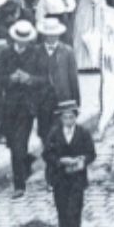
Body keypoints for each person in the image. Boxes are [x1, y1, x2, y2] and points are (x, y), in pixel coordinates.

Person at [42, 100, 96, 227]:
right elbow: (46, 155)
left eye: (71, 117)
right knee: (63, 214)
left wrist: (83, 161)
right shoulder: (54, 134)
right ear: (60, 118)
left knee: (74, 213)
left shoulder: (83, 133)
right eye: (65, 117)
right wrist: (60, 161)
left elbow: (91, 153)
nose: (68, 121)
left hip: (77, 180)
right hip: (60, 180)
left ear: (76, 117)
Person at [0, 20, 46, 198]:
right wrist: (10, 78)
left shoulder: (36, 54)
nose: (22, 43)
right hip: (9, 106)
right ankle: (27, 163)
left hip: (27, 106)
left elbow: (43, 78)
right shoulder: (5, 54)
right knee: (12, 144)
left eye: (25, 40)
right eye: (19, 40)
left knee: (19, 143)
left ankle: (19, 185)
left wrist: (29, 79)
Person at [35, 19, 81, 147]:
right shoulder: (37, 52)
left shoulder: (67, 52)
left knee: (62, 135)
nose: (51, 38)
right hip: (43, 103)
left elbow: (73, 79)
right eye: (49, 35)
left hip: (63, 101)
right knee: (45, 135)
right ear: (44, 35)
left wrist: (76, 103)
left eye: (54, 34)